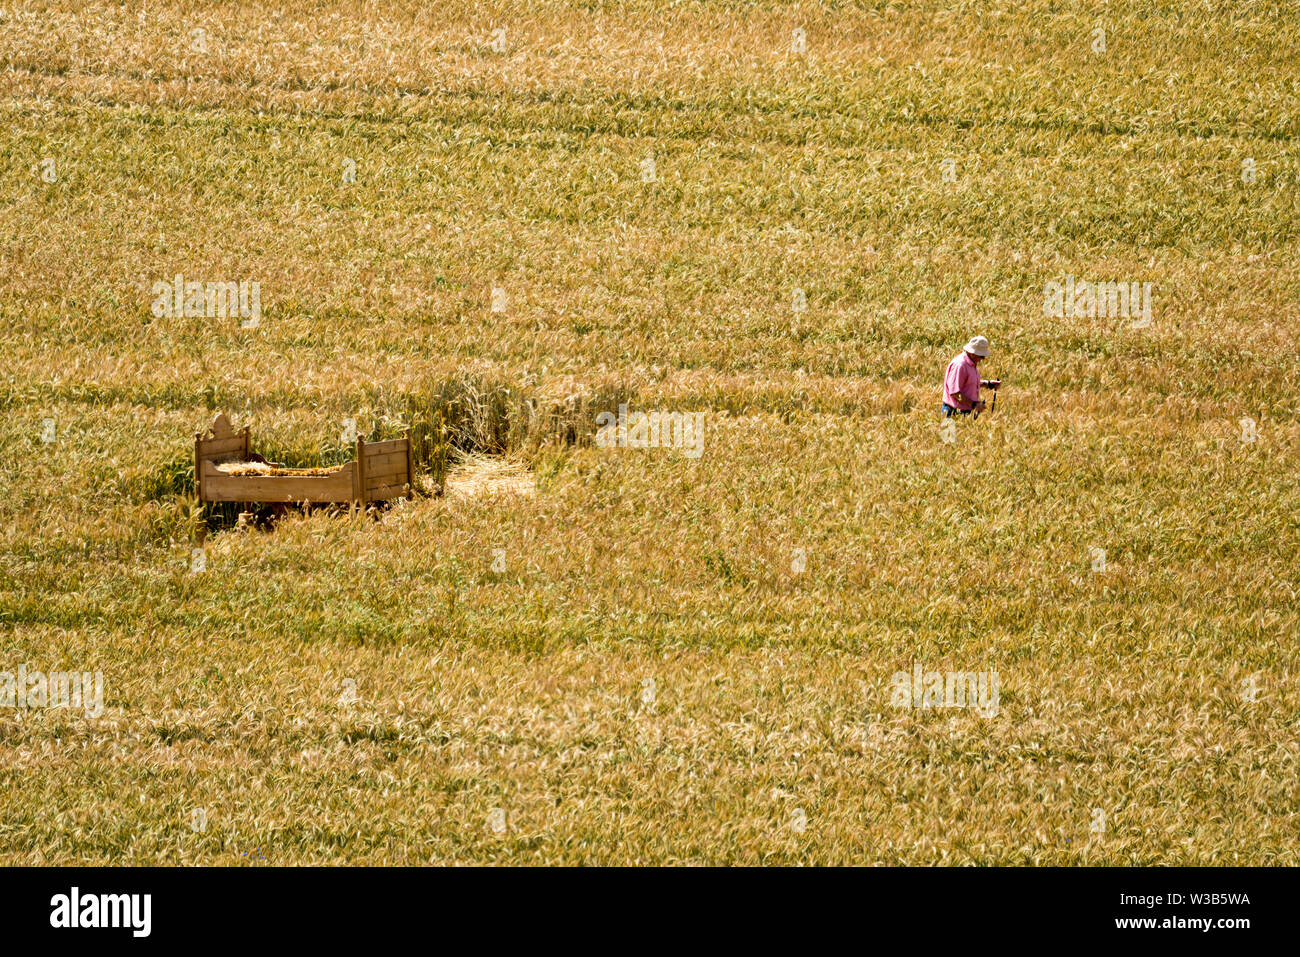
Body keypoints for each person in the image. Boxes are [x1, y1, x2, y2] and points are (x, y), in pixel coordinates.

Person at [942, 336, 1000, 417]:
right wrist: (974, 404)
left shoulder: (971, 364)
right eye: (981, 356)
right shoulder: (960, 365)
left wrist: (988, 384)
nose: (982, 359)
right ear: (973, 353)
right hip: (953, 412)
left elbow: (967, 383)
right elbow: (955, 393)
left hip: (964, 413)